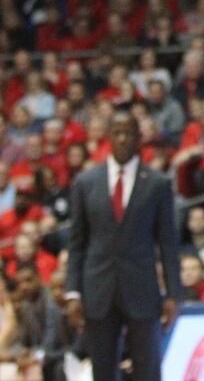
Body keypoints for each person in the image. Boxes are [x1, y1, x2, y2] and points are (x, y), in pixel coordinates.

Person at [65, 110, 182, 381]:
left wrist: (173, 294)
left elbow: (168, 244)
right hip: (98, 289)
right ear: (108, 137)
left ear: (139, 138)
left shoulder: (157, 183)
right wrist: (72, 291)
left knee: (148, 369)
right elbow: (77, 243)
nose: (122, 139)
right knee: (102, 371)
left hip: (142, 288)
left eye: (128, 133)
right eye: (117, 133)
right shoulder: (85, 183)